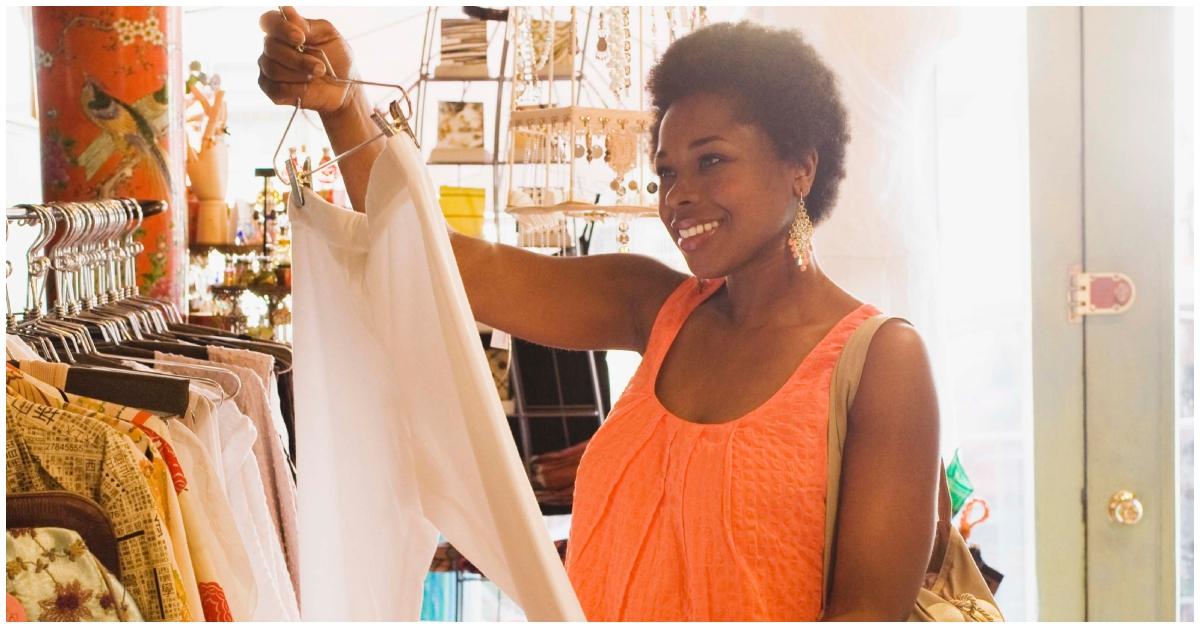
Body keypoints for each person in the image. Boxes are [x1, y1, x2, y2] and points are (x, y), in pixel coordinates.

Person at [258, 7, 940, 621]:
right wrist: (344, 111)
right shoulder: (655, 308)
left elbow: (867, 615)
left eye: (711, 161)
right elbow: (444, 262)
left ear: (801, 167)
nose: (680, 196)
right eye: (667, 171)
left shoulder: (881, 361)